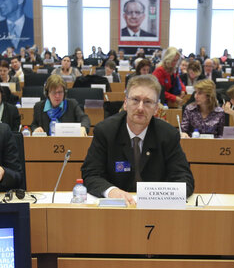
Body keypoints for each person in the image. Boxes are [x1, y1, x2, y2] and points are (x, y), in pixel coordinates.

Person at [81, 74, 194, 206]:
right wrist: (112, 191)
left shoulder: (168, 135)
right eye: (135, 100)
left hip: (156, 209)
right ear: (125, 103)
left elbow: (185, 179)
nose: (140, 108)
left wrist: (157, 195)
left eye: (147, 102)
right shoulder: (105, 131)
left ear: (156, 108)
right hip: (116, 209)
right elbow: (91, 174)